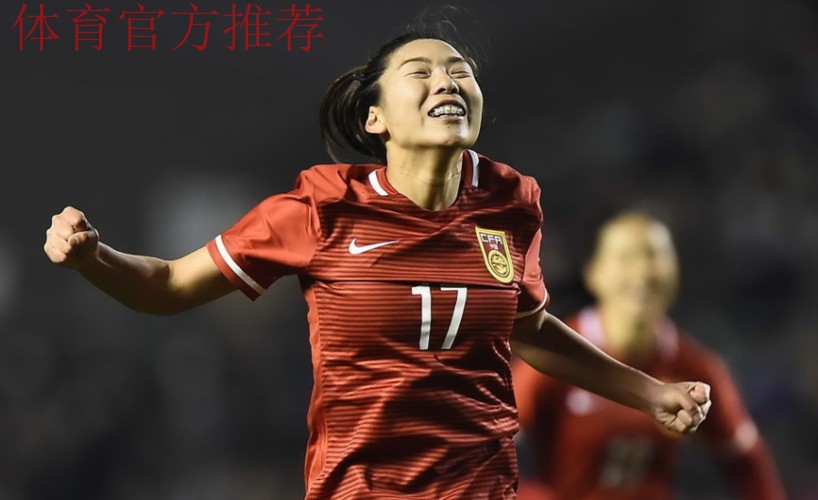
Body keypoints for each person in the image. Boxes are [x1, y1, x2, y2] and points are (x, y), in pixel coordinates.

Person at [44, 24, 712, 499]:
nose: (446, 80)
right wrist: (94, 258)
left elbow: (529, 329)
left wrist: (650, 393)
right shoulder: (319, 208)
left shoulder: (512, 203)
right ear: (375, 119)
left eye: (460, 72)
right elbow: (167, 286)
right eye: (420, 72)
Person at [513, 212, 786, 500]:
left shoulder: (694, 366)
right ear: (594, 274)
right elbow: (491, 444)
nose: (642, 272)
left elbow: (746, 460)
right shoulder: (552, 355)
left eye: (654, 256)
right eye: (627, 258)